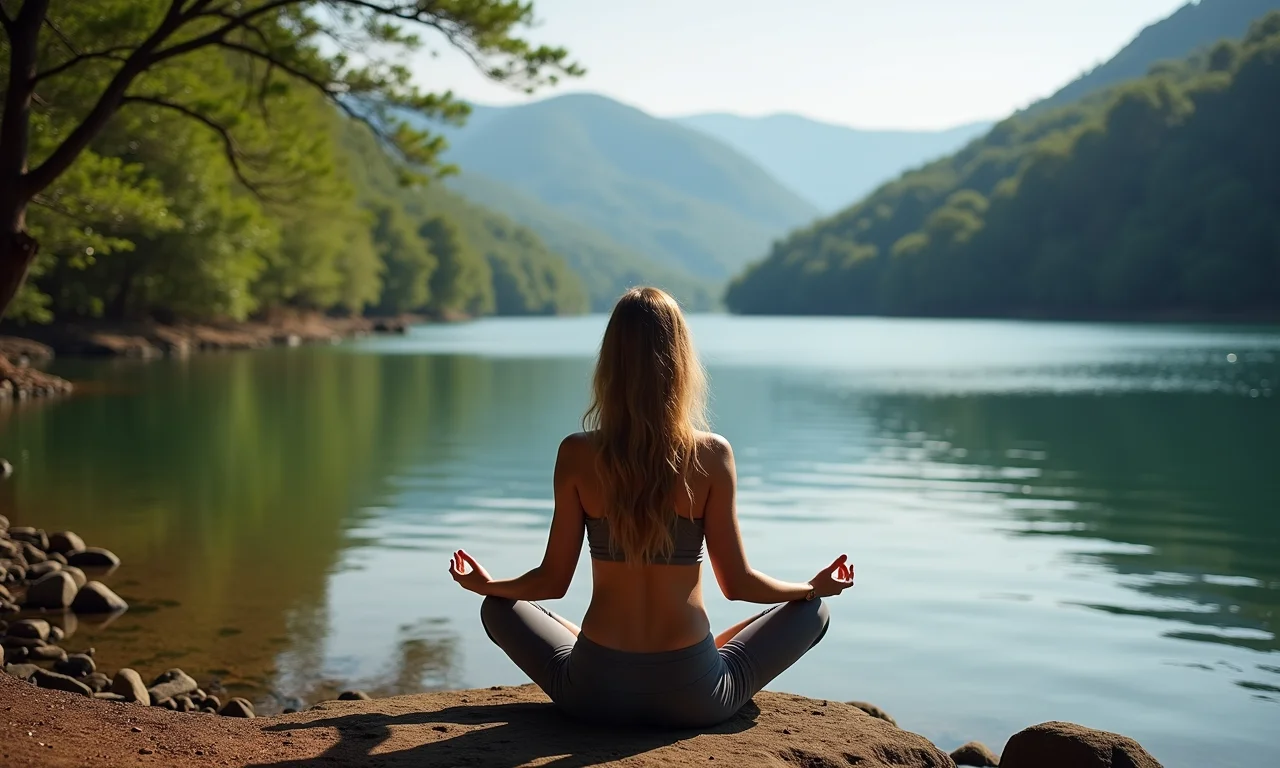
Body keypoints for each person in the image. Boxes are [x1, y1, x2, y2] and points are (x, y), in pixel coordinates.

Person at [448, 286, 854, 728]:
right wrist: (811, 588)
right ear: (680, 363)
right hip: (695, 695)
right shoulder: (711, 455)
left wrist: (488, 585)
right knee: (814, 611)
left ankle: (611, 653)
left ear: (610, 364)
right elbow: (737, 585)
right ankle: (709, 653)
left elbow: (552, 581)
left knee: (498, 606)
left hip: (592, 693)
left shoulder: (577, 454)